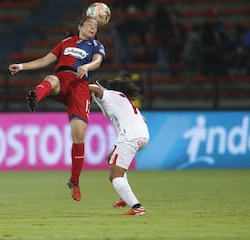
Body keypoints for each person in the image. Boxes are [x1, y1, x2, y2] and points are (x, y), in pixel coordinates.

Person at [8, 16, 106, 201]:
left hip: (80, 87)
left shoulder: (96, 45)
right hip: (62, 80)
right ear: (80, 27)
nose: (94, 28)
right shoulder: (65, 43)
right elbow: (45, 60)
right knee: (50, 78)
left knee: (78, 136)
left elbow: (98, 61)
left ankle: (74, 182)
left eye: (96, 26)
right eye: (90, 25)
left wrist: (87, 66)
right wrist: (21, 66)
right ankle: (35, 98)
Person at [89, 79, 149, 216]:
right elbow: (143, 119)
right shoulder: (124, 99)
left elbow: (98, 90)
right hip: (143, 135)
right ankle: (124, 196)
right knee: (110, 157)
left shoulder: (109, 94)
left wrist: (78, 85)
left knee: (115, 176)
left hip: (130, 136)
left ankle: (137, 207)